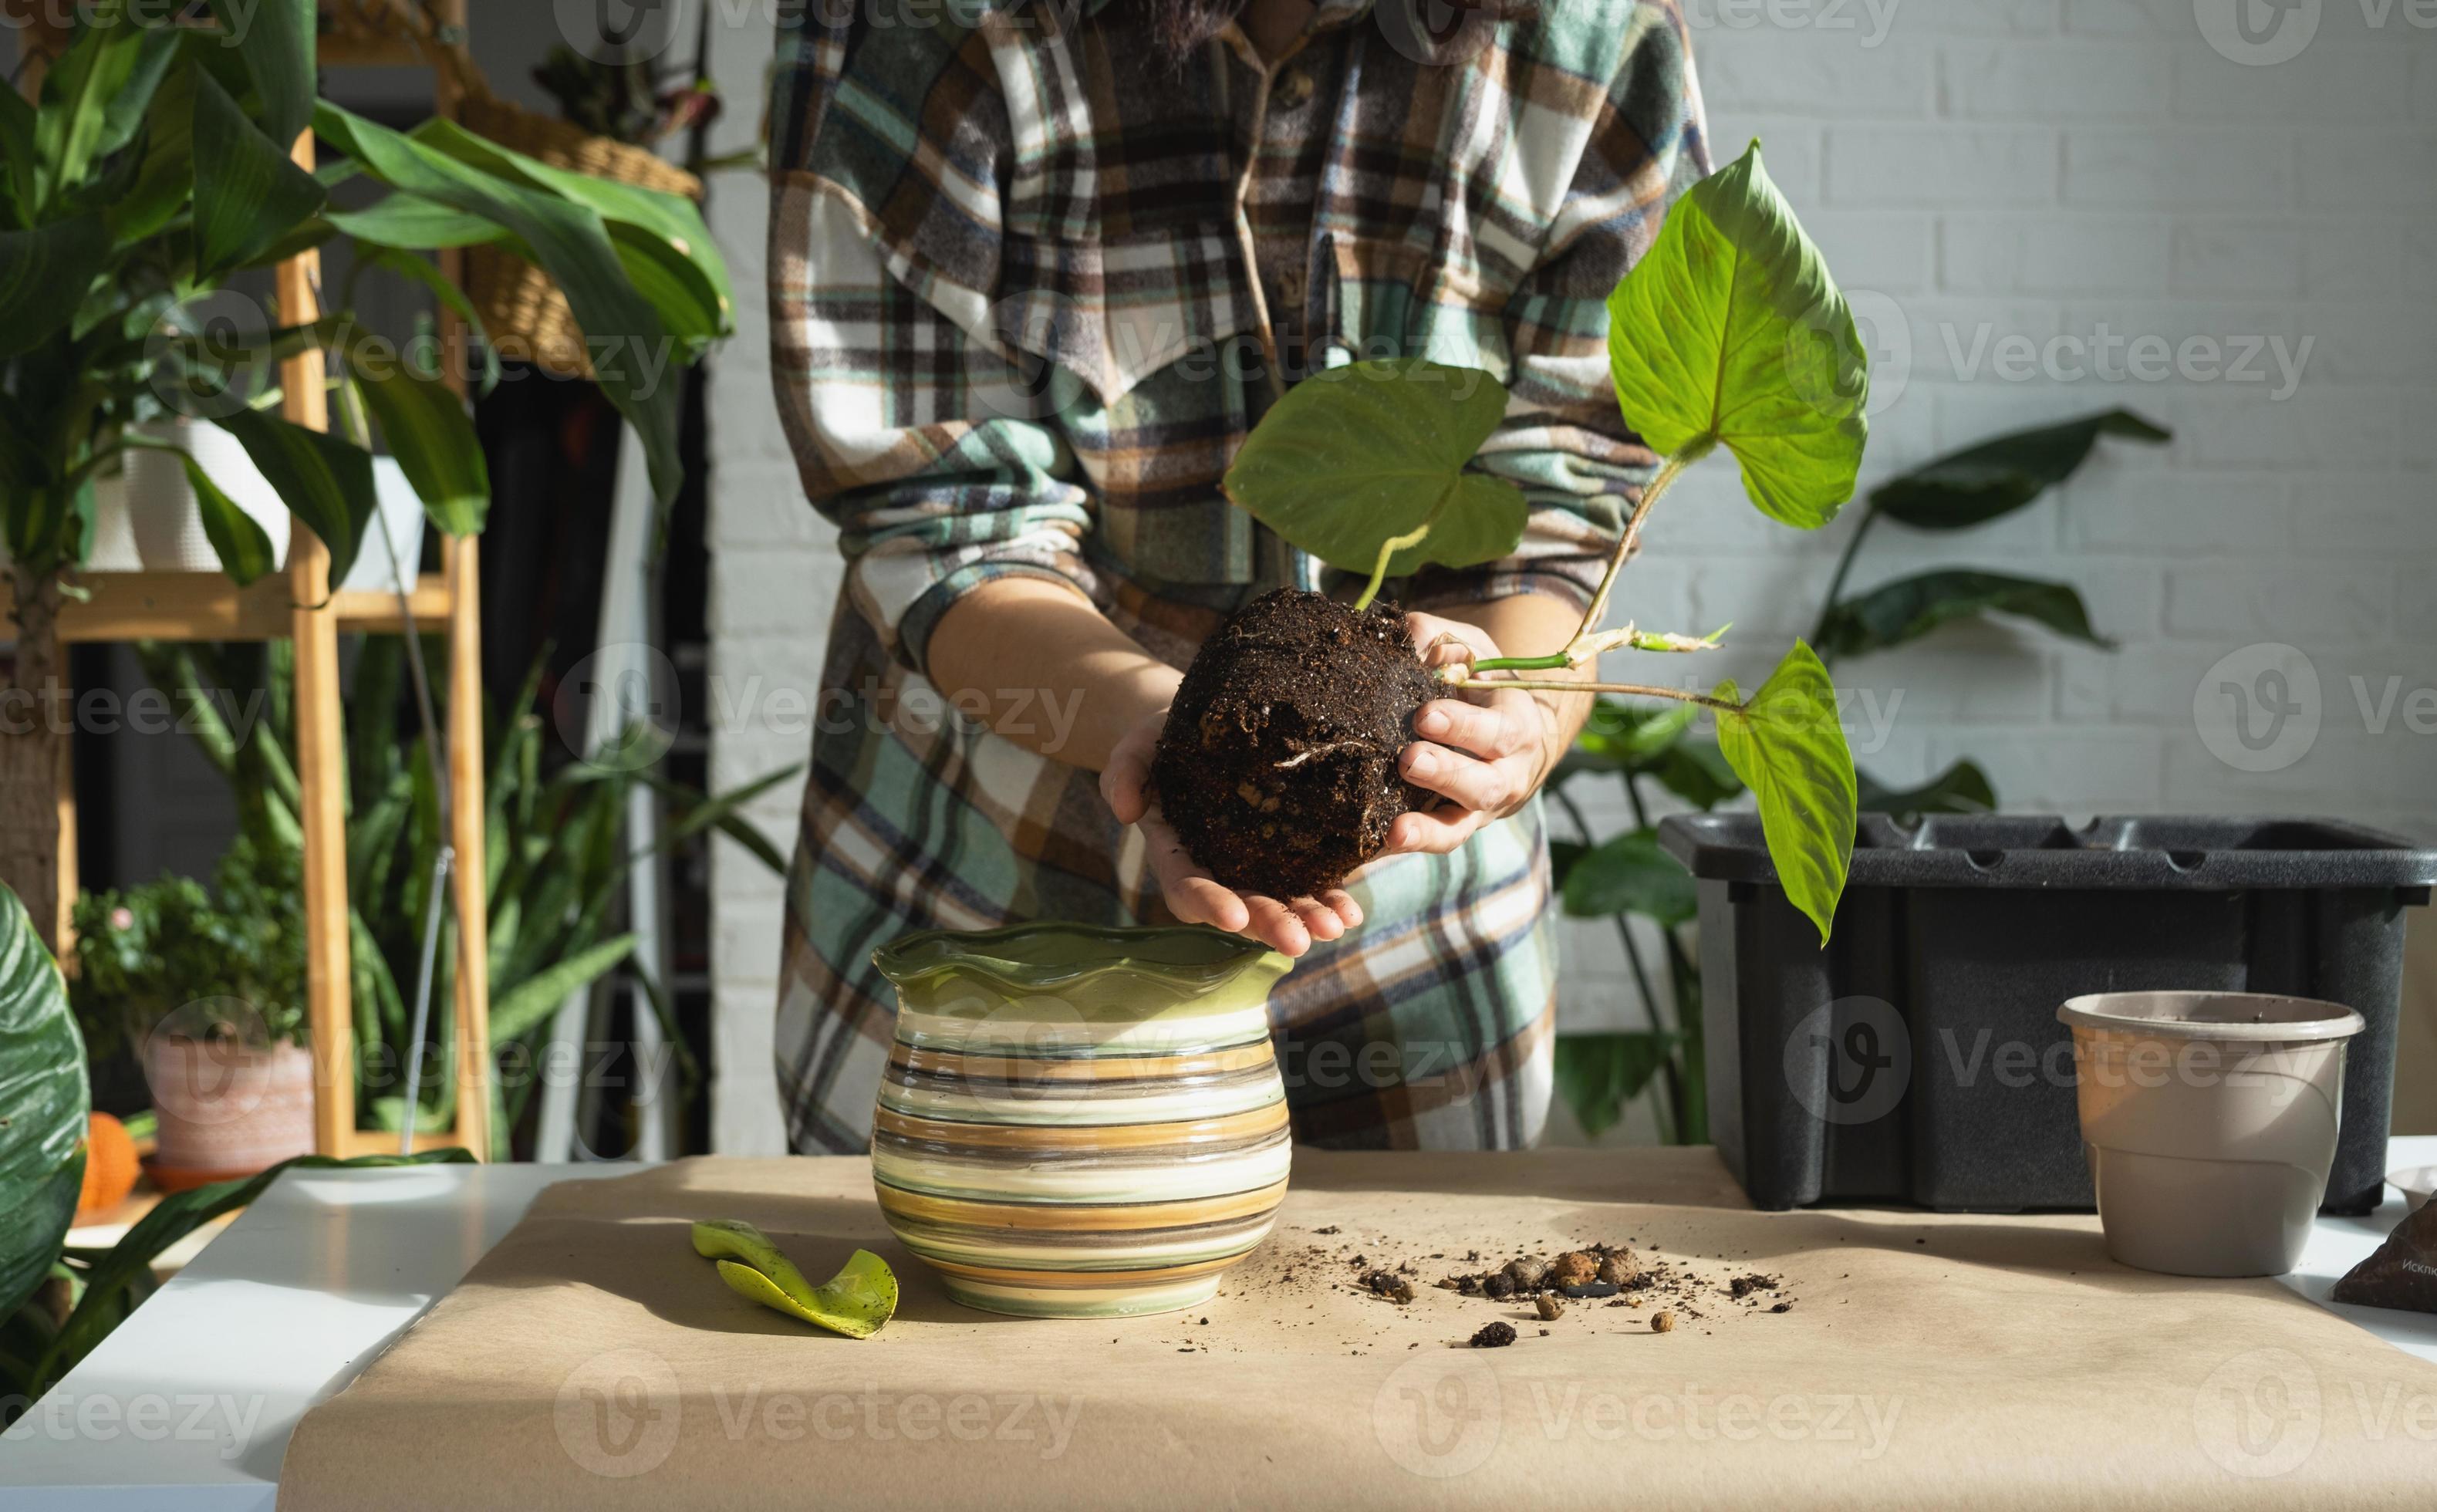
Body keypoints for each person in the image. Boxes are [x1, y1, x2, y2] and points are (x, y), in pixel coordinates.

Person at [765, 0, 1710, 1152]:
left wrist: (1523, 716)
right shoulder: (941, 22)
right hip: (985, 925)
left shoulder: (1594, 36)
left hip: (1418, 983)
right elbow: (944, 514)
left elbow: (1569, 499)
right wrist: (1171, 729)